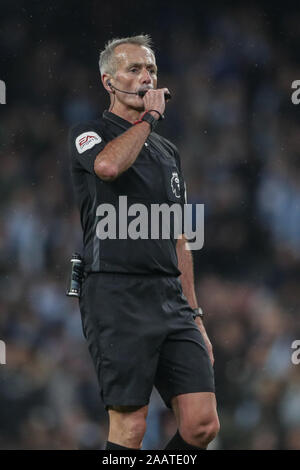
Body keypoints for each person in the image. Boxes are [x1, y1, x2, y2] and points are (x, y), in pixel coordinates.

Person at [69, 34, 220, 450]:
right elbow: (108, 166)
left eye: (150, 69)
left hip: (170, 298)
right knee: (131, 429)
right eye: (133, 69)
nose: (145, 77)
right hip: (116, 294)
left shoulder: (169, 153)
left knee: (202, 425)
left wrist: (196, 315)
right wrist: (148, 120)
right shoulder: (90, 132)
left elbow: (180, 237)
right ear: (108, 81)